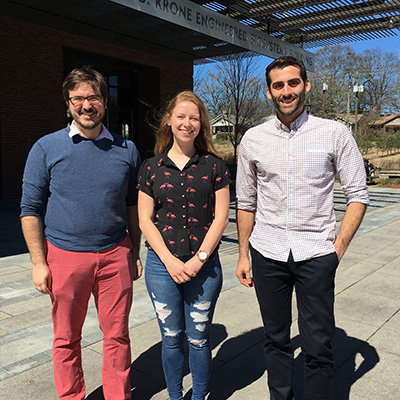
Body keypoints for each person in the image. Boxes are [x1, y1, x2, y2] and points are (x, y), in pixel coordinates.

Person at [235, 56, 370, 400]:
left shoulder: (334, 133)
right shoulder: (253, 139)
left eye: (293, 83)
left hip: (316, 253)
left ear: (306, 85)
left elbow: (358, 194)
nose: (286, 91)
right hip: (267, 251)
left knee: (318, 345)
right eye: (278, 85)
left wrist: (336, 249)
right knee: (276, 339)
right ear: (269, 92)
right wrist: (243, 254)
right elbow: (246, 202)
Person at [20, 66, 142, 400]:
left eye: (93, 97)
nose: (86, 105)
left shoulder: (126, 150)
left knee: (117, 336)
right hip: (65, 256)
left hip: (116, 253)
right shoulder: (46, 148)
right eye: (78, 98)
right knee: (65, 338)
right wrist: (38, 263)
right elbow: (30, 209)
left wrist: (135, 251)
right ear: (68, 102)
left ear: (105, 100)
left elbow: (132, 204)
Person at [137, 90, 231, 400]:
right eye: (181, 116)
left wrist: (198, 259)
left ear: (201, 123)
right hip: (162, 267)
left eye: (194, 117)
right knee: (172, 338)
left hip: (204, 269)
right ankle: (175, 396)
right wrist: (170, 261)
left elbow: (220, 218)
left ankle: (200, 395)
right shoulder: (152, 167)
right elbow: (145, 220)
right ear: (169, 120)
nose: (187, 123)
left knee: (200, 339)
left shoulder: (215, 166)